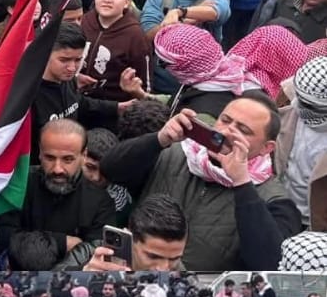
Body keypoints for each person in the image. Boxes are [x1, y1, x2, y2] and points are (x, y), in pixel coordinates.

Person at [100, 99, 302, 274]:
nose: (227, 131)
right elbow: (110, 170)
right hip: (137, 275)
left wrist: (242, 182)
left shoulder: (274, 198)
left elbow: (269, 263)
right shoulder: (175, 153)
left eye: (243, 130)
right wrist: (158, 139)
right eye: (225, 120)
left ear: (266, 148)